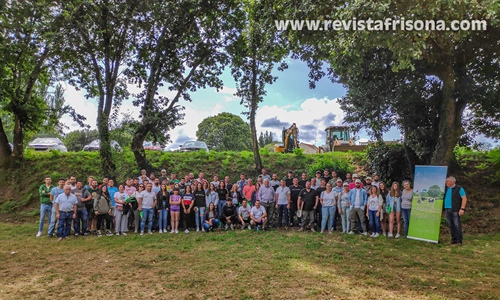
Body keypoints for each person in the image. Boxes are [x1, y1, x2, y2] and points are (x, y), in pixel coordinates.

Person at [444, 176, 467, 246]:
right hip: (447, 209)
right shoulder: (446, 189)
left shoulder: (459, 188)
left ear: (452, 182)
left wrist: (462, 208)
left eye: (447, 181)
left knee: (457, 225)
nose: (446, 183)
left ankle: (459, 240)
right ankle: (453, 239)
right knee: (451, 225)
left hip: (455, 209)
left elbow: (464, 198)